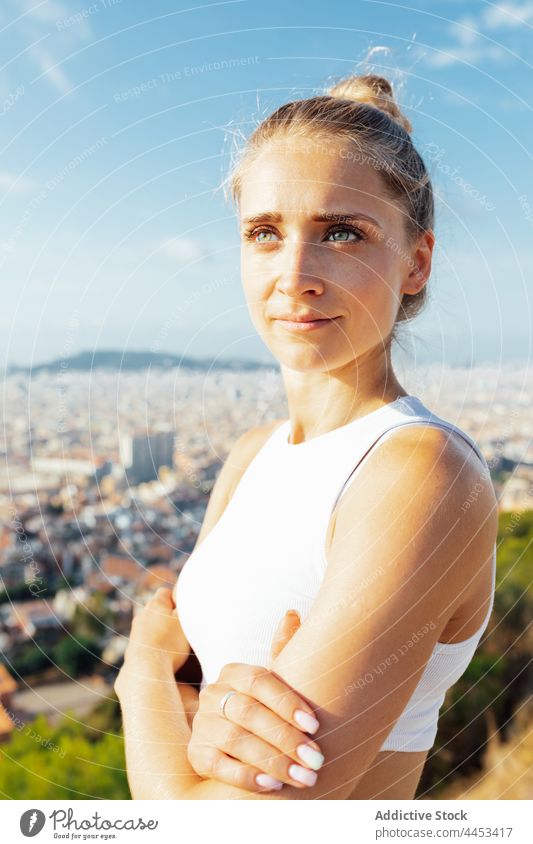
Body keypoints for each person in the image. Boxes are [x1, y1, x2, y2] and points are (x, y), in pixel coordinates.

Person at [115, 73, 498, 800]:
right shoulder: (251, 454)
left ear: (415, 261)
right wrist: (195, 721)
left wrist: (140, 682)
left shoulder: (419, 473)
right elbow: (197, 718)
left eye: (341, 232)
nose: (293, 276)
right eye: (264, 233)